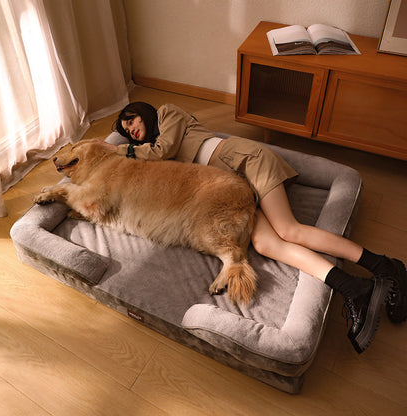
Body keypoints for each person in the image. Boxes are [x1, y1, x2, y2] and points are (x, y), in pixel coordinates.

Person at [106, 101, 406, 354]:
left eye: (129, 120)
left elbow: (163, 151)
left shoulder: (167, 113)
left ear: (142, 111)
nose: (130, 130)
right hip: (233, 187)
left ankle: (384, 266)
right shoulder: (145, 150)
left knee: (289, 230)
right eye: (125, 132)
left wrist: (115, 150)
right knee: (265, 245)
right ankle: (353, 287)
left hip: (247, 162)